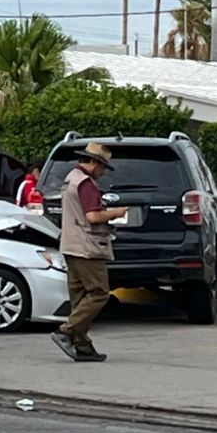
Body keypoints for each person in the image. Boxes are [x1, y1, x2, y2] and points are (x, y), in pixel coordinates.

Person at [52, 142, 126, 363]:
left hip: (70, 244)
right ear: (94, 162)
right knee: (99, 292)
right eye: (102, 167)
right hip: (88, 246)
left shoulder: (70, 179)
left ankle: (82, 345)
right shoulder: (86, 184)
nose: (102, 172)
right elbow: (93, 216)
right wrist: (115, 213)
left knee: (79, 297)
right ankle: (66, 332)